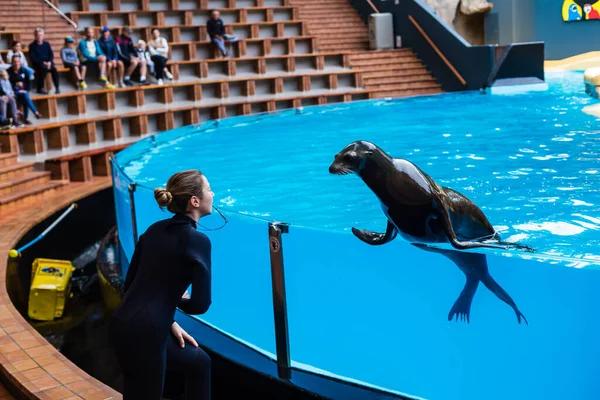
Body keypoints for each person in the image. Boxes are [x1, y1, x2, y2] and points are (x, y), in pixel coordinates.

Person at [108, 169, 213, 400]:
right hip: (146, 332)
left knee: (199, 364)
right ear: (195, 201)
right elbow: (200, 305)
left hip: (124, 323)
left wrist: (170, 322)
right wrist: (176, 298)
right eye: (208, 189)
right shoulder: (198, 241)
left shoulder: (154, 230)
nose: (212, 194)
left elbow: (131, 285)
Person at [7, 54, 41, 124]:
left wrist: (25, 89)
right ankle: (34, 113)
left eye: (18, 61)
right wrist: (15, 84)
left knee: (25, 96)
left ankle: (27, 117)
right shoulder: (8, 72)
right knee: (25, 95)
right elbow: (7, 85)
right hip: (13, 92)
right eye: (14, 62)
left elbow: (28, 83)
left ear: (20, 62)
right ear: (12, 62)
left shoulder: (24, 70)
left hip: (23, 91)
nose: (16, 64)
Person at [28, 27, 60, 94]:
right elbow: (33, 57)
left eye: (41, 35)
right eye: (38, 35)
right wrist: (43, 62)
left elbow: (51, 54)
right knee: (42, 69)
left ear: (43, 36)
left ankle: (57, 88)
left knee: (54, 70)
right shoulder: (32, 45)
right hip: (38, 63)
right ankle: (40, 88)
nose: (39, 37)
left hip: (48, 63)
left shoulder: (46, 44)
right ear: (35, 36)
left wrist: (49, 62)